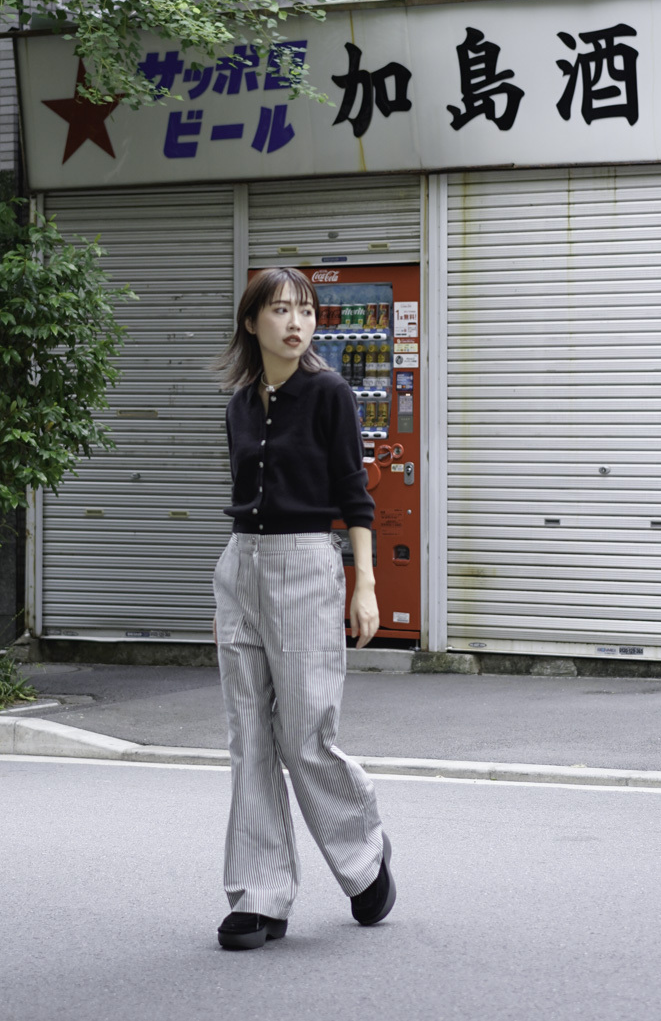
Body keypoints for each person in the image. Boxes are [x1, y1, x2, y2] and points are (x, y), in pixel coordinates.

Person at [212, 265, 396, 951]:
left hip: (306, 564)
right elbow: (242, 498)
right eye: (281, 310)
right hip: (241, 566)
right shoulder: (238, 403)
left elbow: (355, 494)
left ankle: (364, 856)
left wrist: (364, 583)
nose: (297, 322)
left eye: (306, 310)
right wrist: (230, 589)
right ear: (252, 321)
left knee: (305, 736)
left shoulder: (330, 394)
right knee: (249, 739)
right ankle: (258, 896)